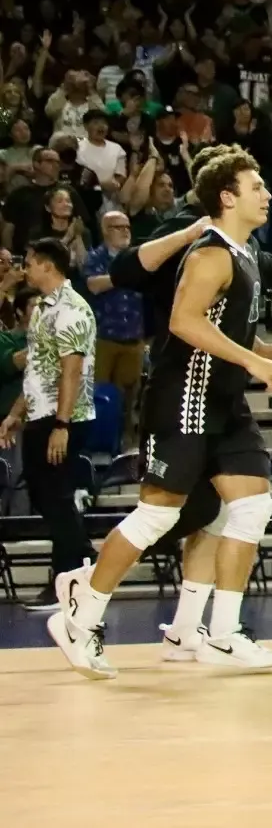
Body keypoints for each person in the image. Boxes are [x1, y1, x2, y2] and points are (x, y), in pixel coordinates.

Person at [45, 149, 272, 678]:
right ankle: (81, 611)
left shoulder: (245, 252)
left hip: (222, 401)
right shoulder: (209, 255)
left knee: (249, 507)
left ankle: (220, 633)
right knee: (158, 514)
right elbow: (184, 322)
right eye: (256, 186)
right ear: (227, 197)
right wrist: (249, 358)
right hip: (183, 400)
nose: (266, 194)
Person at [0, 240, 97, 610]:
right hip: (41, 414)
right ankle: (86, 558)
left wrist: (62, 423)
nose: (25, 269)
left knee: (55, 498)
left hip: (62, 418)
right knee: (44, 496)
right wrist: (16, 413)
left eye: (30, 263)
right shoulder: (41, 308)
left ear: (47, 265)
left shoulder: (71, 310)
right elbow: (40, 368)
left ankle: (67, 582)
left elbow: (70, 370)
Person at [82, 210, 144, 447]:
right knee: (101, 396)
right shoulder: (96, 257)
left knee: (131, 399)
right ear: (106, 230)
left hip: (134, 338)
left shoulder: (138, 257)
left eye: (127, 226)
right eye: (119, 227)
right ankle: (99, 449)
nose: (126, 231)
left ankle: (127, 450)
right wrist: (123, 276)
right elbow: (94, 285)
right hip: (104, 338)